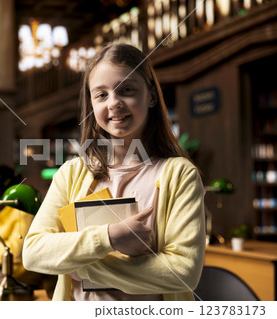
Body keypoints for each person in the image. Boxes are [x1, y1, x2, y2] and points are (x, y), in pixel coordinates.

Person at [22, 43, 205, 301]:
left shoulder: (180, 175)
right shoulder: (71, 174)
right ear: (91, 104)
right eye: (101, 95)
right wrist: (108, 238)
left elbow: (183, 272)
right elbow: (33, 253)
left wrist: (77, 264)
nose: (114, 103)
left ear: (151, 96)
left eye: (126, 90)